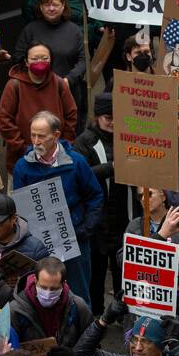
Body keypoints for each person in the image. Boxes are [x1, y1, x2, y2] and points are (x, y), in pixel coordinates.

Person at [13, 110, 104, 302]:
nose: (36, 141)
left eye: (42, 136)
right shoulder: (22, 167)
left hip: (74, 239)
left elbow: (95, 196)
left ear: (56, 136)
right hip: (41, 243)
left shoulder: (76, 163)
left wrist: (85, 229)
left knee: (78, 294)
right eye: (33, 135)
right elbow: (21, 209)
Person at [74, 92, 123, 322]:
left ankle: (122, 310)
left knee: (122, 266)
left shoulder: (126, 137)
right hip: (98, 216)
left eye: (116, 116)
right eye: (107, 117)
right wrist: (112, 167)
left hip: (122, 212)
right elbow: (81, 175)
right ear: (97, 117)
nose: (112, 121)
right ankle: (96, 313)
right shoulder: (85, 141)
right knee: (97, 267)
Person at [0, 43, 79, 174]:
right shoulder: (14, 85)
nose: (40, 62)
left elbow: (71, 114)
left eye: (44, 58)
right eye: (35, 59)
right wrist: (24, 148)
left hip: (55, 159)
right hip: (22, 160)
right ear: (26, 61)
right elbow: (5, 120)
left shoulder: (59, 83)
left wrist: (62, 145)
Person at [14, 0, 88, 117]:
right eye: (47, 5)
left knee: (70, 128)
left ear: (63, 6)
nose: (51, 8)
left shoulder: (74, 30)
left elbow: (84, 60)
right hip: (36, 92)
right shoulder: (30, 30)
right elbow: (18, 57)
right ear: (41, 7)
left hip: (68, 91)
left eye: (55, 5)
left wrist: (69, 80)